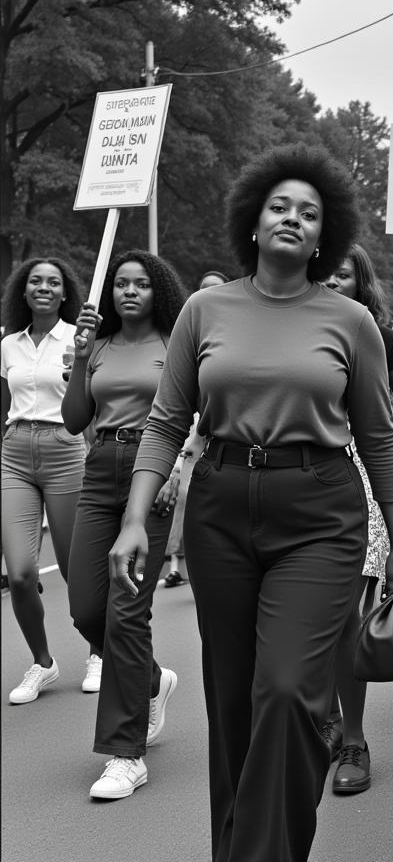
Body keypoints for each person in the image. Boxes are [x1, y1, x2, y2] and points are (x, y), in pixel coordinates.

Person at [108, 144, 393, 862]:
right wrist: (134, 520)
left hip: (320, 511)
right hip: (221, 505)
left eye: (308, 213)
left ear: (324, 235)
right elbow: (166, 420)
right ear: (253, 222)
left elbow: (379, 437)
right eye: (280, 206)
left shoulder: (350, 321)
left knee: (288, 692)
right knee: (235, 701)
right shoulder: (202, 309)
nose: (293, 218)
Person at [62, 250, 187, 799]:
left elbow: (196, 413)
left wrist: (175, 469)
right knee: (87, 607)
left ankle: (125, 753)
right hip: (99, 471)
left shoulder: (174, 344)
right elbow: (73, 420)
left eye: (140, 284)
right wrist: (83, 358)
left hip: (151, 472)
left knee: (126, 611)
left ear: (158, 290)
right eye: (119, 284)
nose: (128, 292)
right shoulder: (101, 346)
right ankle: (151, 679)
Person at [322, 245, 393, 795]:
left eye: (344, 274)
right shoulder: (288, 323)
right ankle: (320, 719)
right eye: (327, 272)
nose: (333, 281)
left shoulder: (378, 337)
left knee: (345, 617)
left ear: (361, 281)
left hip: (361, 477)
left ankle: (354, 739)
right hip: (291, 485)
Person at [2, 257, 88, 704]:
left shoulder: (78, 338)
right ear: (23, 289)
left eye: (53, 282)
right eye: (36, 280)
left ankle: (98, 651)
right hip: (14, 452)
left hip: (64, 448)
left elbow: (89, 404)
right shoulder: (8, 346)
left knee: (77, 571)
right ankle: (43, 663)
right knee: (19, 573)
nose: (44, 287)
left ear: (63, 292)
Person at [162, 269, 230, 590]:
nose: (208, 295)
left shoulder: (236, 336)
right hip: (190, 446)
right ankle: (178, 564)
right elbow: (172, 408)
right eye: (203, 289)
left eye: (217, 289)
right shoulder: (185, 333)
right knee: (184, 503)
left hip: (226, 454)